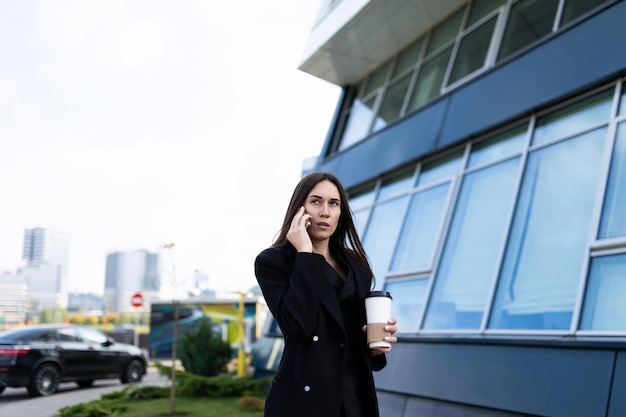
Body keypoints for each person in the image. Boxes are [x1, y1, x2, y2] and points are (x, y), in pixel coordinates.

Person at [254, 171, 398, 417]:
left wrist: (374, 348)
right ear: (300, 209)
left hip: (355, 400)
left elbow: (353, 337)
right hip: (304, 402)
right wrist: (306, 255)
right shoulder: (274, 262)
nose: (325, 211)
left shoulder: (356, 266)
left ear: (341, 213)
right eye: (316, 201)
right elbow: (299, 325)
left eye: (334, 203)